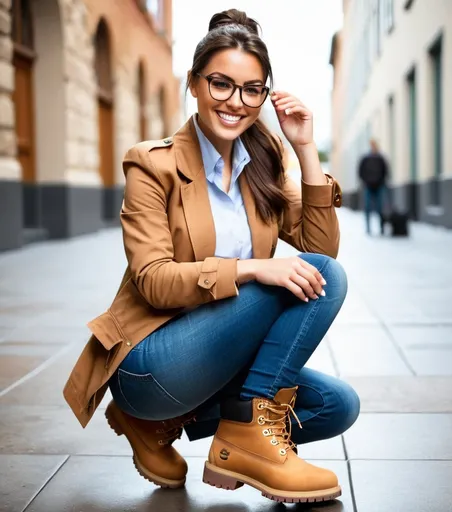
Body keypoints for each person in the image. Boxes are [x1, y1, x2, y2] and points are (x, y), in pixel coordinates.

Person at [63, 9, 359, 505]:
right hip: (151, 360)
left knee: (336, 405)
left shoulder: (259, 167)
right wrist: (253, 267)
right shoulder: (151, 163)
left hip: (217, 356)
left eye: (251, 89)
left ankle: (226, 429)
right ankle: (210, 428)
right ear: (195, 84)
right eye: (221, 84)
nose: (235, 102)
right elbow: (153, 280)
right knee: (316, 277)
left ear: (264, 95)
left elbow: (320, 248)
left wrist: (305, 149)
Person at [358, 138, 389, 235]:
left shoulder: (381, 158)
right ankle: (368, 228)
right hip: (368, 186)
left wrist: (382, 181)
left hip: (379, 186)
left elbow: (386, 171)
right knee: (367, 207)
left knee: (380, 208)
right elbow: (360, 171)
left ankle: (381, 228)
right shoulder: (365, 158)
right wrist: (365, 181)